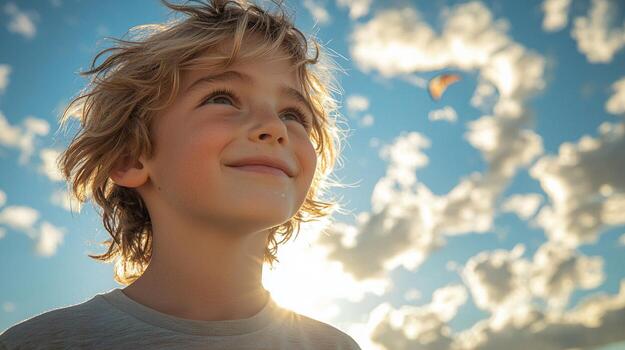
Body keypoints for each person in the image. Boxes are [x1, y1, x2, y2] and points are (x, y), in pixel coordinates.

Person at [0, 0, 360, 348]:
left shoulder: (333, 346)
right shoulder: (41, 343)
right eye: (222, 98)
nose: (274, 127)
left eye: (293, 115)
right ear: (131, 158)